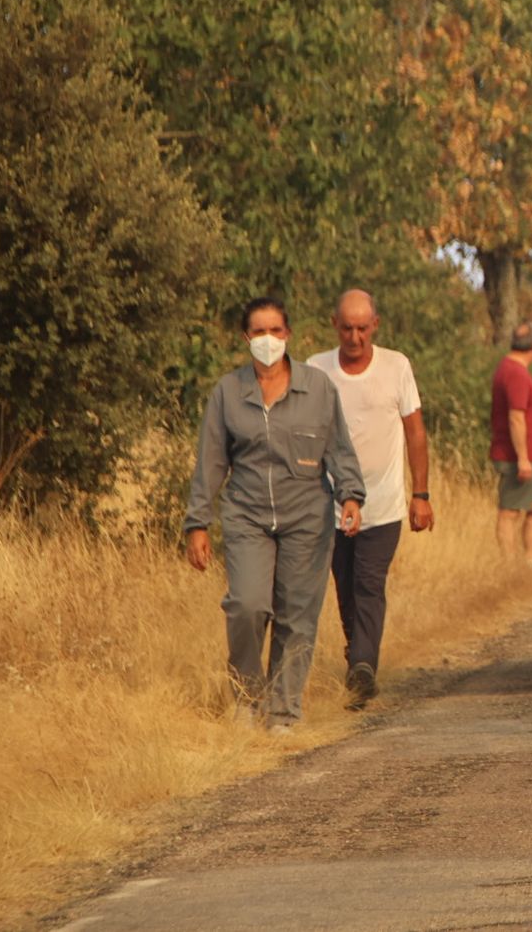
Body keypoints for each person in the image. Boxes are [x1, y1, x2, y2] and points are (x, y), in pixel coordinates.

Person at [185, 296, 365, 733]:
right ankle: (247, 698)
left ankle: (283, 711)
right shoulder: (228, 392)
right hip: (247, 515)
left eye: (276, 331)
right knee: (247, 605)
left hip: (307, 514)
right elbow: (211, 461)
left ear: (289, 335)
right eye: (259, 332)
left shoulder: (318, 388)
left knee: (297, 613)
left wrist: (351, 497)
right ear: (247, 338)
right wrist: (197, 523)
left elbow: (338, 448)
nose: (268, 340)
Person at [309, 289, 435, 709]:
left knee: (368, 581)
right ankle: (357, 653)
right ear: (335, 325)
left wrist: (421, 495)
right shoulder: (316, 371)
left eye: (363, 328)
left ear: (375, 326)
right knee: (344, 584)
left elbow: (415, 432)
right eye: (347, 328)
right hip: (331, 504)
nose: (355, 337)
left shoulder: (396, 366)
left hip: (384, 503)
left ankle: (363, 666)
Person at [489, 320, 532, 564]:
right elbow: (516, 417)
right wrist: (523, 458)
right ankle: (510, 566)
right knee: (510, 511)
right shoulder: (515, 373)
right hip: (519, 458)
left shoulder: (511, 369)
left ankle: (530, 563)